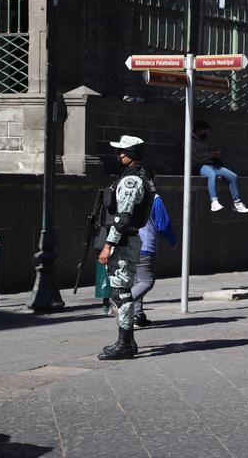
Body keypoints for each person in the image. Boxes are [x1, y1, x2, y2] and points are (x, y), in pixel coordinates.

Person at [97, 135, 154, 360]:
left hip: (123, 241)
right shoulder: (135, 176)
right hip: (126, 239)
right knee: (120, 291)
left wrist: (108, 245)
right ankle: (127, 342)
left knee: (121, 293)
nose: (119, 155)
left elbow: (123, 218)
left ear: (131, 155)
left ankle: (125, 344)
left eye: (123, 151)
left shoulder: (132, 181)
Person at [132, 171, 176, 327]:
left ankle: (137, 316)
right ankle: (123, 302)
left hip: (130, 246)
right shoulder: (154, 199)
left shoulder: (131, 197)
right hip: (145, 246)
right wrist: (172, 240)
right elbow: (163, 224)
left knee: (137, 280)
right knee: (147, 281)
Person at [191, 120, 248, 213]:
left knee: (233, 176)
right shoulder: (189, 140)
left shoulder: (204, 141)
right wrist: (211, 155)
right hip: (198, 166)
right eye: (205, 131)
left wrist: (214, 154)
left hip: (210, 165)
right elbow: (194, 158)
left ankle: (237, 203)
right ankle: (214, 202)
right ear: (199, 130)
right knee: (211, 175)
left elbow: (207, 154)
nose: (207, 133)